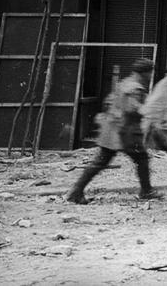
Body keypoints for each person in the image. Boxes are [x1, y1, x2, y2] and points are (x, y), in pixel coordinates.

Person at [66, 58, 161, 204]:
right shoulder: (136, 88)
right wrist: (147, 111)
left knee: (101, 162)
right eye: (150, 72)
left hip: (112, 129)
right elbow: (131, 108)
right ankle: (146, 191)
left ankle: (76, 192)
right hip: (124, 132)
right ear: (145, 72)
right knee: (141, 159)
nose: (150, 75)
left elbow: (108, 101)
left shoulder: (124, 83)